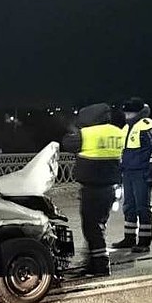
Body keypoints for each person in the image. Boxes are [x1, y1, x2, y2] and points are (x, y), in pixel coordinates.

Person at [61, 103, 125, 276]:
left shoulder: (87, 134)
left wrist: (73, 129)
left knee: (91, 227)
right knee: (99, 226)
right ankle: (93, 262)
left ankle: (100, 266)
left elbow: (66, 143)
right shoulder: (118, 132)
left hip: (93, 188)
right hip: (111, 187)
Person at [114, 97, 152, 253]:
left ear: (136, 112)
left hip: (142, 173)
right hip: (128, 173)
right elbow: (123, 152)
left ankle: (144, 241)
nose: (126, 115)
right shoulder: (126, 127)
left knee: (143, 207)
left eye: (129, 113)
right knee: (129, 207)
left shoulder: (148, 126)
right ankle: (129, 238)